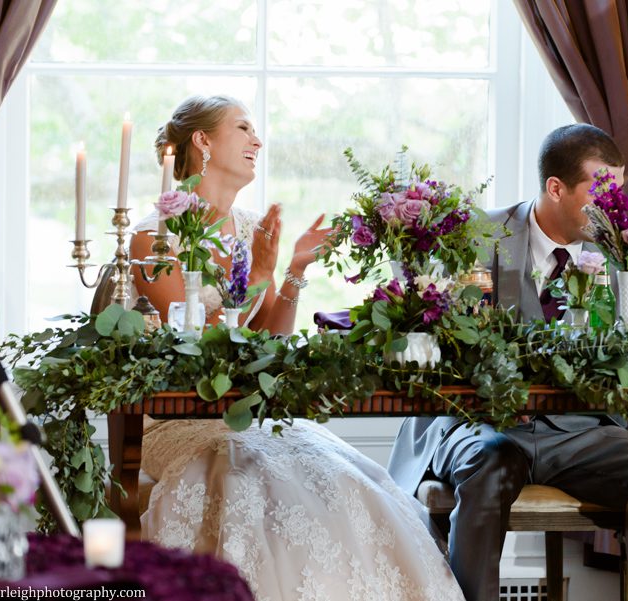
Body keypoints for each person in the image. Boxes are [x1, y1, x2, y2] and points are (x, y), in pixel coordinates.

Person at [131, 95, 466, 601]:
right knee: (251, 480)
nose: (257, 141)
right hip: (182, 414)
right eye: (242, 128)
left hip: (248, 412)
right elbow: (197, 347)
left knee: (345, 480)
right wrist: (261, 273)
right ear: (202, 141)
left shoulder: (249, 228)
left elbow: (266, 343)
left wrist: (294, 270)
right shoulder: (153, 239)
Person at [387, 124, 628, 601]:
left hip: (583, 433)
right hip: (482, 426)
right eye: (600, 189)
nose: (614, 205)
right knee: (491, 464)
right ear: (555, 188)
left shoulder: (623, 258)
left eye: (618, 190)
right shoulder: (477, 237)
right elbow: (430, 328)